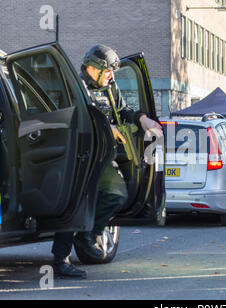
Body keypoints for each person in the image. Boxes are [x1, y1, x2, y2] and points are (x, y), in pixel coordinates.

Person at [52, 45, 163, 278]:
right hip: (80, 157)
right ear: (92, 68)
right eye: (108, 71)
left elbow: (123, 110)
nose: (112, 76)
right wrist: (106, 128)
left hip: (103, 157)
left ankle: (88, 235)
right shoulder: (74, 87)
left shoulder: (109, 88)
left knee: (116, 195)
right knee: (76, 202)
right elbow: (69, 118)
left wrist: (142, 119)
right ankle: (61, 260)